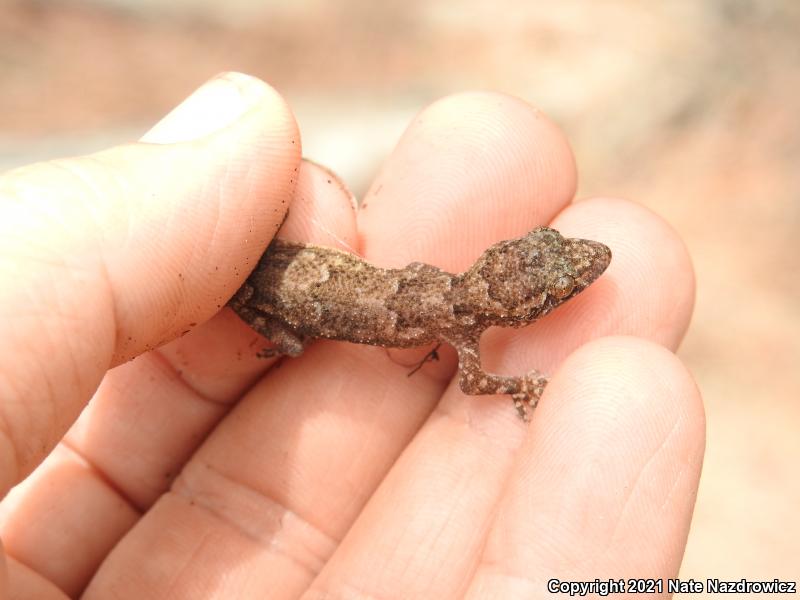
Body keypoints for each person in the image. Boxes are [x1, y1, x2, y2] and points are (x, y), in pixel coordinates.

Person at [0, 72, 703, 599]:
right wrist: (517, 386)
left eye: (562, 284)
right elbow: (475, 379)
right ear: (516, 305)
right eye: (560, 282)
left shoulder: (449, 295)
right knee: (298, 340)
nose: (583, 272)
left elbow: (435, 303)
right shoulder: (463, 330)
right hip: (279, 294)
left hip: (293, 273)